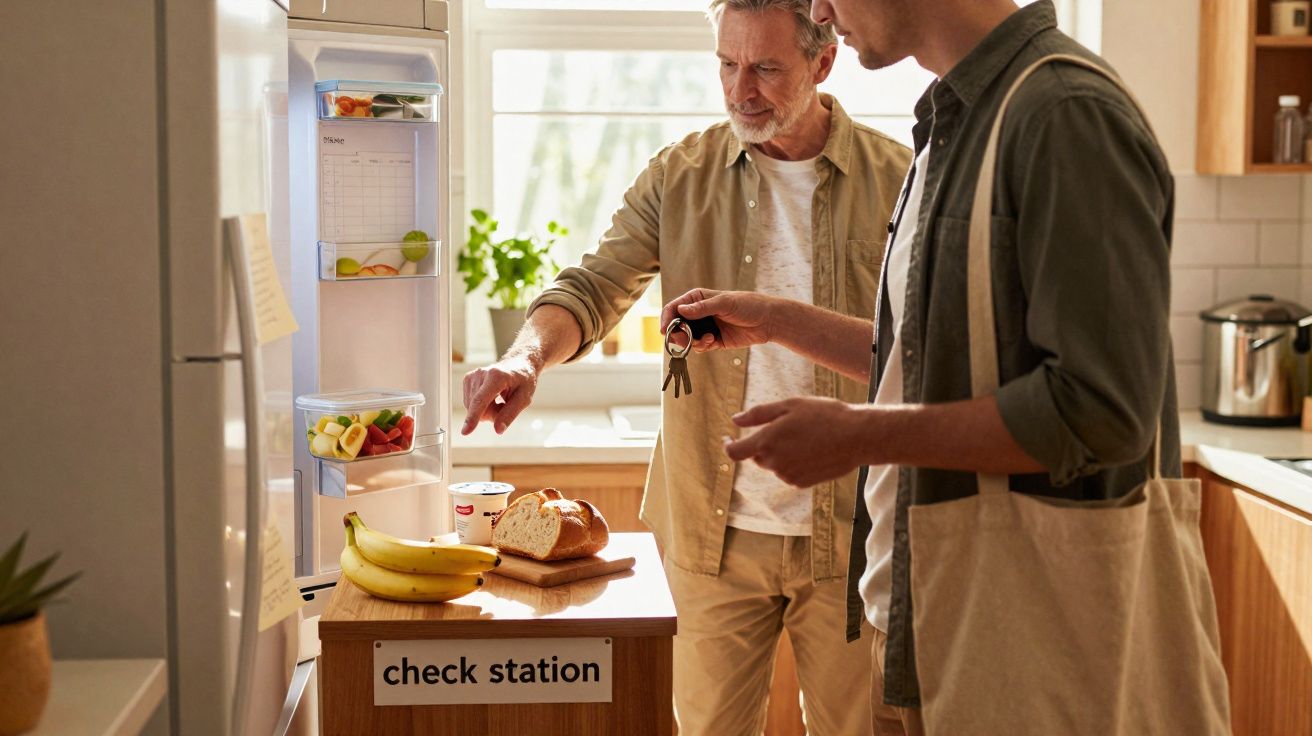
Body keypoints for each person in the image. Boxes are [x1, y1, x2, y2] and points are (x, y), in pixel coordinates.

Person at [660, 0, 1193, 733]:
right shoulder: (954, 125)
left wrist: (862, 436)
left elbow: (1101, 412)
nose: (820, 9)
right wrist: (779, 321)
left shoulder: (1063, 115)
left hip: (1019, 632)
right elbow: (926, 365)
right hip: (914, 609)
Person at [461, 1, 910, 732]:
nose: (741, 90)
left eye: (765, 67)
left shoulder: (898, 179)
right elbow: (594, 286)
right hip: (711, 533)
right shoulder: (681, 174)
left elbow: (922, 355)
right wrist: (526, 358)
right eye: (727, 65)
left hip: (854, 534)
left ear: (823, 64)